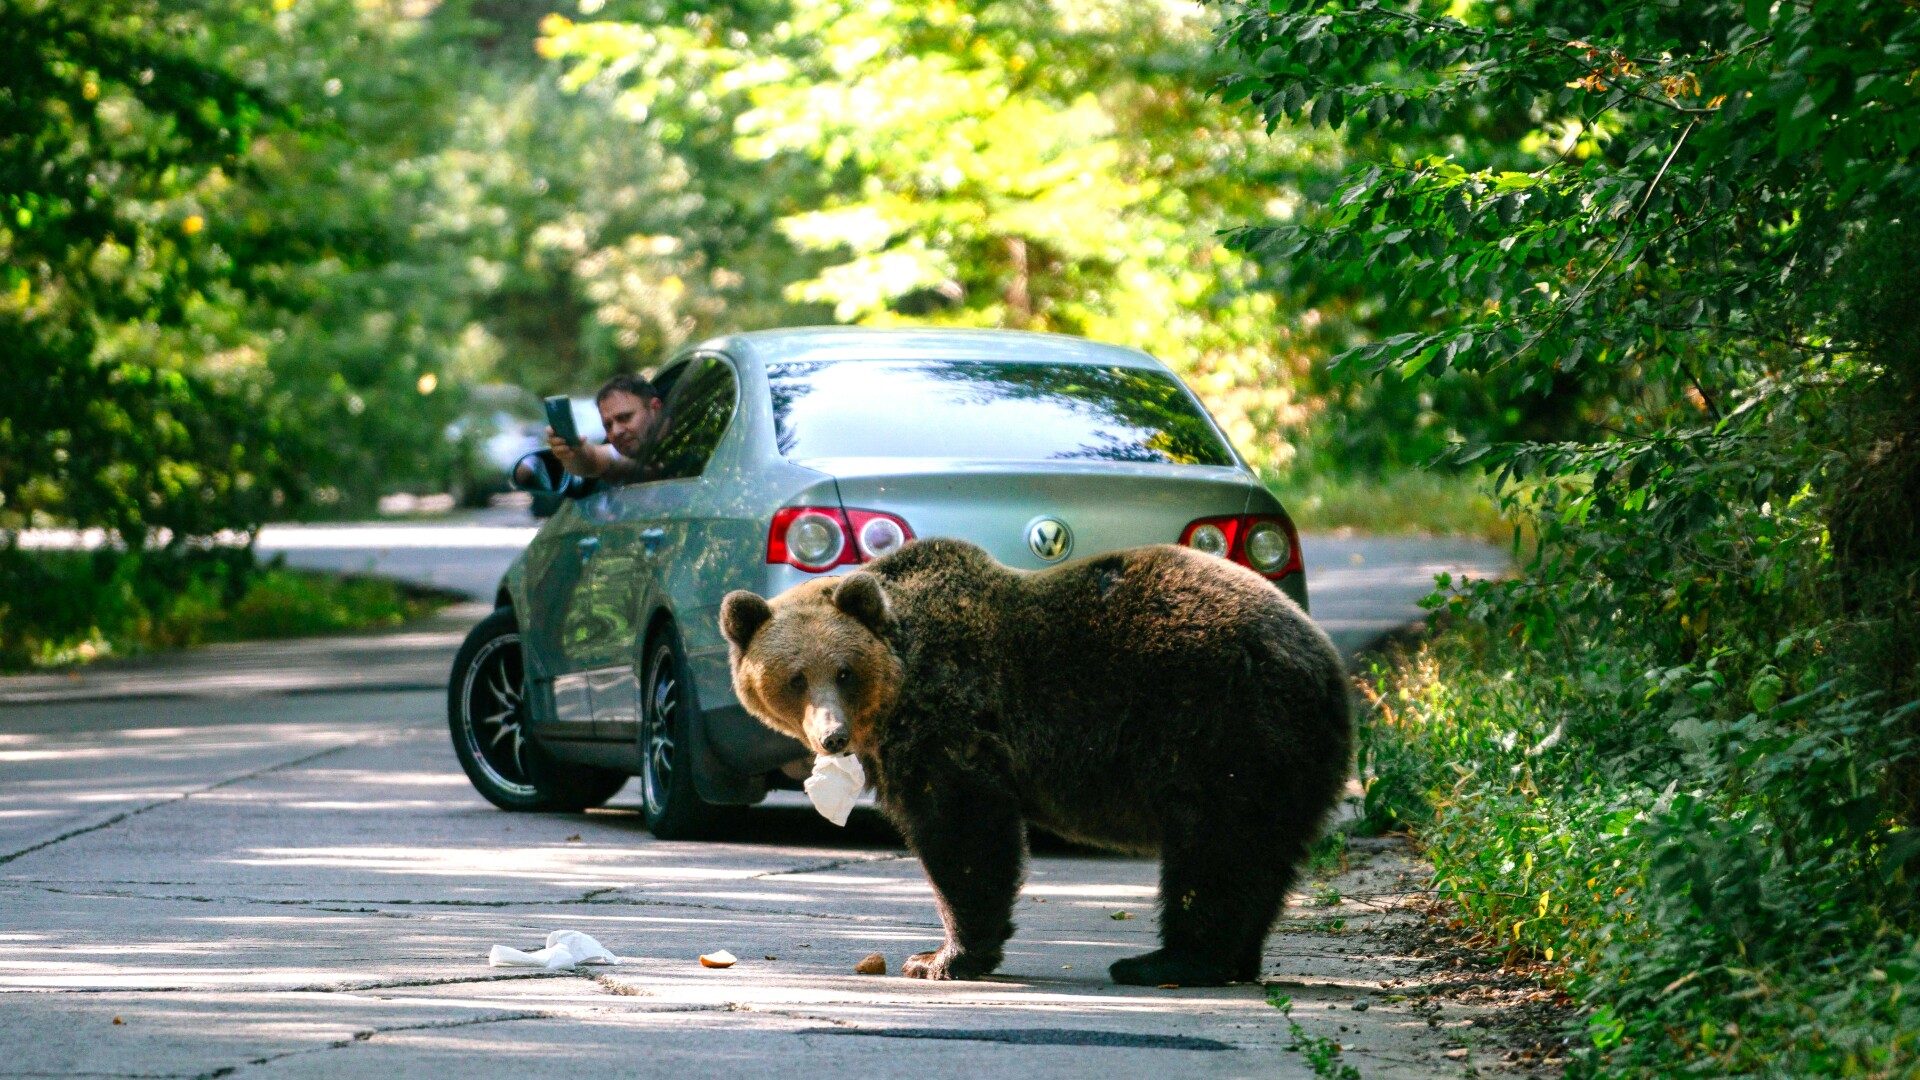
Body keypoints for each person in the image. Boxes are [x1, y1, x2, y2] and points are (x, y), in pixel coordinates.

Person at [547, 373, 665, 484]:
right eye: (608, 426)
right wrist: (571, 451)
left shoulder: (682, 430)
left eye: (625, 417)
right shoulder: (629, 457)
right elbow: (591, 460)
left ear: (655, 408)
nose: (616, 431)